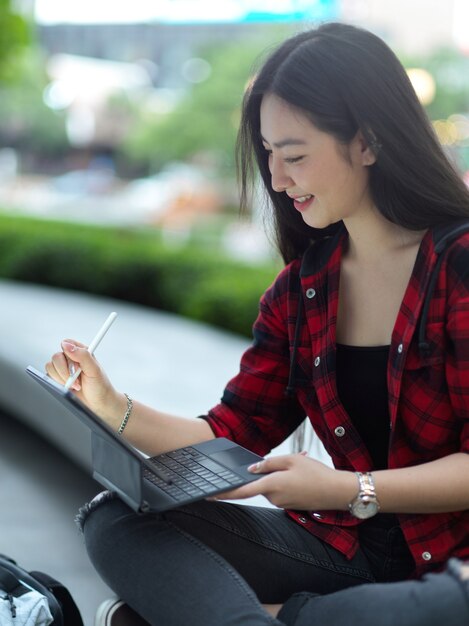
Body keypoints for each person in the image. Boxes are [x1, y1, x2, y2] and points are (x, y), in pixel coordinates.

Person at [46, 21, 469, 626]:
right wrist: (115, 408)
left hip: (453, 567)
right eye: (269, 154)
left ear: (368, 141)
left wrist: (351, 489)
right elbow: (234, 434)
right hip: (344, 549)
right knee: (113, 518)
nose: (276, 178)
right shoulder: (302, 290)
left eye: (294, 155)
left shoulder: (458, 265)